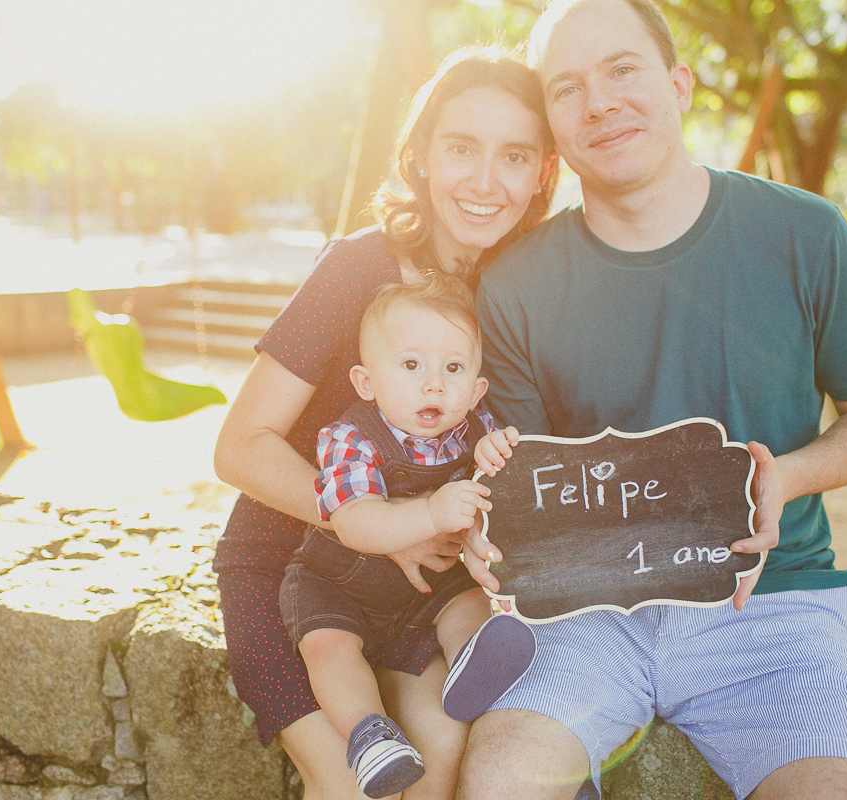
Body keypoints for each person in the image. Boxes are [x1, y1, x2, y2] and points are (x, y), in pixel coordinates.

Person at [455, 2, 847, 800]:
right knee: (498, 782)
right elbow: (523, 481)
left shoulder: (808, 234)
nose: (599, 103)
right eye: (567, 88)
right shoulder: (514, 283)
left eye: (622, 70)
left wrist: (787, 478)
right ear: (555, 127)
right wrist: (491, 533)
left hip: (772, 606)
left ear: (679, 83)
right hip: (582, 616)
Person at [212, 44, 558, 800]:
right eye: (462, 147)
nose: (484, 180)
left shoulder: (526, 288)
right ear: (423, 155)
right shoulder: (356, 269)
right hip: (291, 572)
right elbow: (238, 447)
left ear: (542, 173)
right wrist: (375, 521)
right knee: (350, 784)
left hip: (420, 594)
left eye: (514, 155)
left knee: (437, 749)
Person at [279, 276, 533, 799]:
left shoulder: (475, 430)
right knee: (328, 648)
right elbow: (355, 522)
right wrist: (433, 511)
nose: (434, 384)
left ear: (477, 389)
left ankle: (476, 664)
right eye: (412, 365)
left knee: (468, 601)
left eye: (454, 369)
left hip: (424, 592)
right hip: (338, 583)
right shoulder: (349, 438)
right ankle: (370, 735)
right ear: (366, 382)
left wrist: (499, 458)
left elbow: (502, 498)